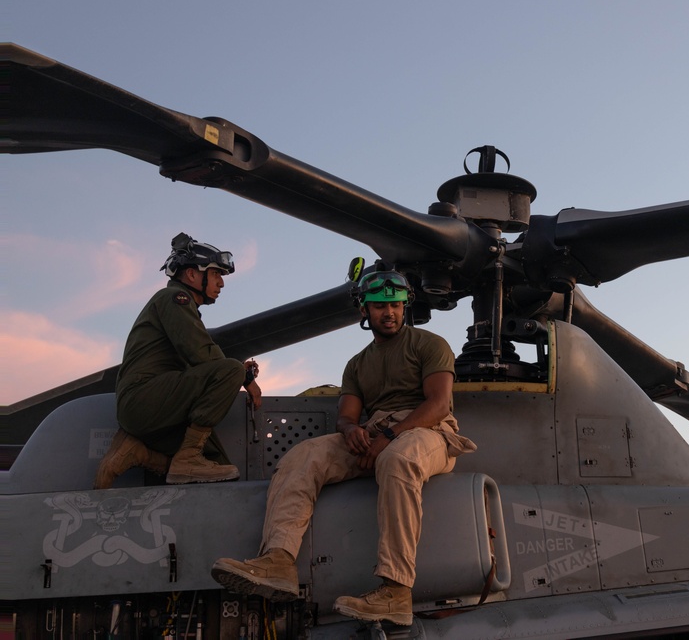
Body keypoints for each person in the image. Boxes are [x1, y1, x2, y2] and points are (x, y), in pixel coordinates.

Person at [211, 270, 475, 627]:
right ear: (364, 311)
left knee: (398, 461)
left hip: (428, 432)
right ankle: (279, 561)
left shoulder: (428, 344)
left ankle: (396, 591)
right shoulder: (356, 364)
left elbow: (439, 405)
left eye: (396, 304)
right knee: (303, 456)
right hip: (377, 432)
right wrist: (351, 430)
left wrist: (390, 437)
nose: (390, 313)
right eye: (380, 305)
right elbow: (347, 415)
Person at [93, 232, 263, 489]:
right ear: (192, 274)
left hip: (156, 403)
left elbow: (194, 359)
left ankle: (138, 453)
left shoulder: (179, 307)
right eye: (216, 274)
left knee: (218, 467)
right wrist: (244, 377)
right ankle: (188, 458)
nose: (221, 283)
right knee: (229, 370)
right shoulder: (174, 299)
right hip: (145, 399)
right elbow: (199, 352)